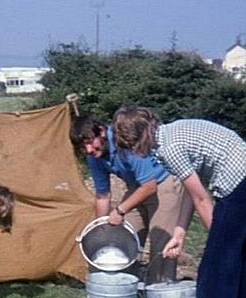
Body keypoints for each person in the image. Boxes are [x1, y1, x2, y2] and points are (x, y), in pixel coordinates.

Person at [113, 106, 246, 298]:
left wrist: (217, 246)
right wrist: (180, 233)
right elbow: (191, 190)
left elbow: (201, 198)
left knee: (215, 270)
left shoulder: (168, 148)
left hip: (241, 190)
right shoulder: (172, 134)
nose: (134, 152)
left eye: (131, 145)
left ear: (137, 139)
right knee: (241, 267)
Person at [71, 114, 190, 284]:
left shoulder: (124, 140)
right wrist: (102, 228)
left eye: (90, 142)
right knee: (121, 238)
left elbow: (150, 186)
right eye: (83, 147)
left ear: (102, 132)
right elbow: (102, 195)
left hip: (164, 183)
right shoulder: (94, 157)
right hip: (137, 187)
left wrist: (120, 210)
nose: (89, 150)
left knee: (160, 247)